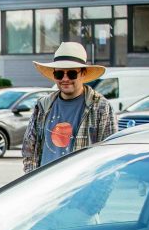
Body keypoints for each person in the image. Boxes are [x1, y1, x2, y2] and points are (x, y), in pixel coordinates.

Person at [22, 42, 115, 174]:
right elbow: (29, 151)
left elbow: (110, 156)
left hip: (81, 187)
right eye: (59, 74)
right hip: (45, 187)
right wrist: (32, 180)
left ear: (83, 74)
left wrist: (98, 192)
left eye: (71, 73)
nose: (65, 79)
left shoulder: (100, 107)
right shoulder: (43, 106)